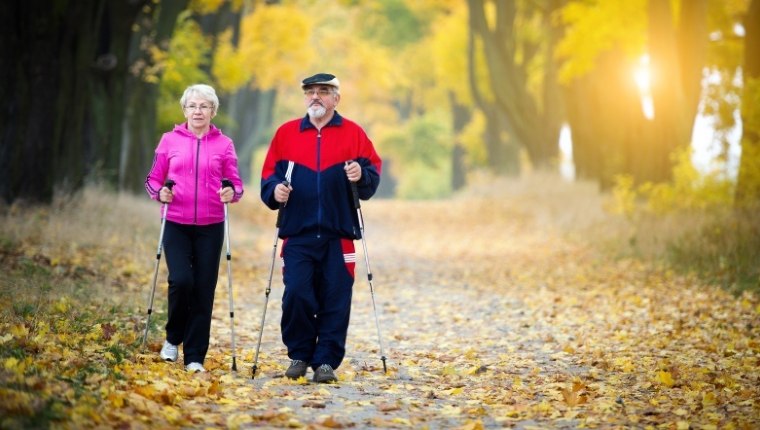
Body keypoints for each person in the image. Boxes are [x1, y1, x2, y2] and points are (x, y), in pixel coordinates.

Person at [260, 73, 382, 383]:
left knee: (336, 298)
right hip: (297, 233)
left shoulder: (353, 133)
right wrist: (275, 191)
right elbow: (268, 177)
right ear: (305, 98)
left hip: (338, 234)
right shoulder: (286, 134)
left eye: (324, 92)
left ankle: (326, 361)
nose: (316, 97)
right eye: (311, 92)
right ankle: (299, 355)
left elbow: (372, 175)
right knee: (297, 294)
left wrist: (360, 174)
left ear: (336, 98)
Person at [144, 84, 244, 373]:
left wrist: (231, 193)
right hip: (175, 221)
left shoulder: (224, 144)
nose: (198, 111)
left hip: (212, 225)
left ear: (213, 111)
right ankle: (173, 338)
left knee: (203, 288)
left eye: (204, 106)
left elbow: (235, 183)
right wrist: (160, 192)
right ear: (184, 110)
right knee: (181, 281)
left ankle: (195, 356)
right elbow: (152, 179)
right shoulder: (169, 140)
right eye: (192, 106)